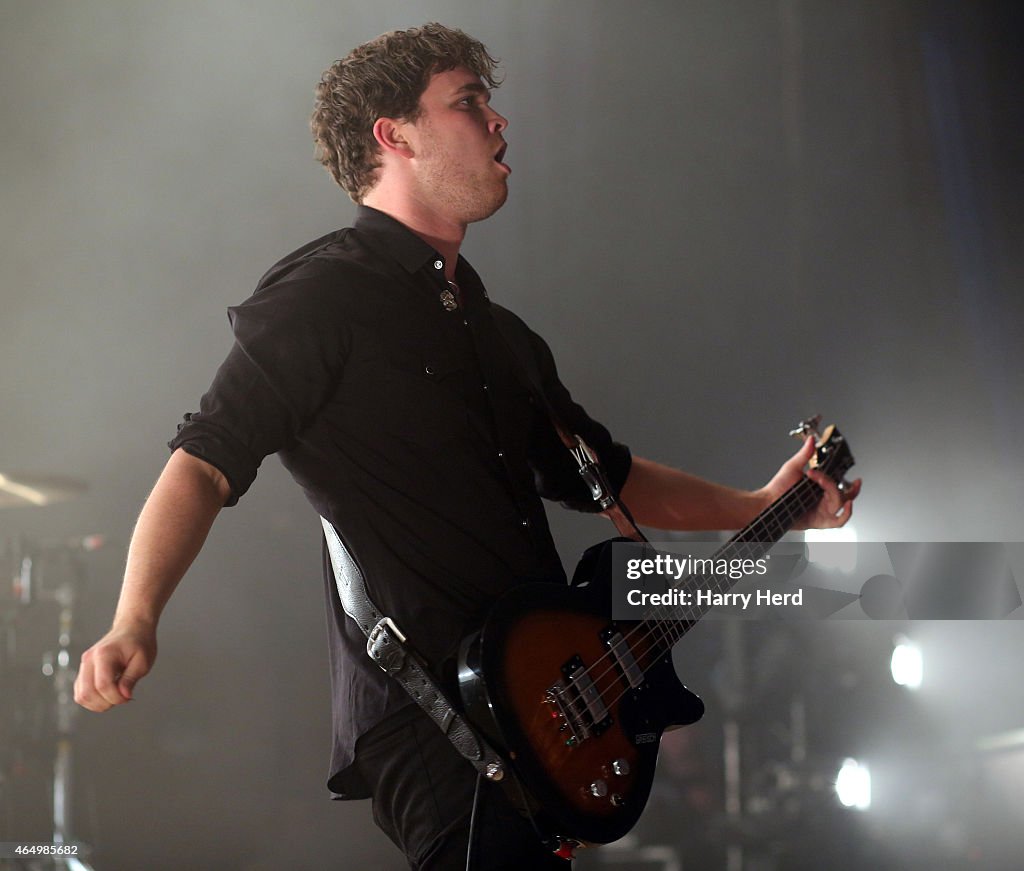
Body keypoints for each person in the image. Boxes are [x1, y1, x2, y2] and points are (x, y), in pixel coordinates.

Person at [74, 23, 860, 871]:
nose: (499, 123)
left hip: (545, 708)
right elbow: (203, 458)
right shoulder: (322, 297)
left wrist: (760, 508)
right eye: (470, 102)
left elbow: (611, 480)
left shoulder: (503, 338)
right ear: (395, 135)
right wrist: (134, 618)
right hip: (430, 711)